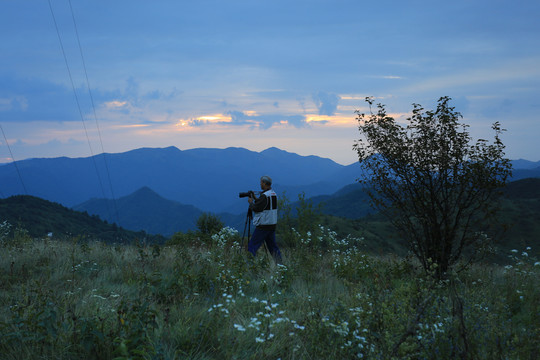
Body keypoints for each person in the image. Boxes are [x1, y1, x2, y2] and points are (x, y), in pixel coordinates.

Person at [247, 175, 282, 263]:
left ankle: (249, 266)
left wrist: (251, 203)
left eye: (261, 183)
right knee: (273, 247)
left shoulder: (265, 196)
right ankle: (281, 266)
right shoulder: (273, 194)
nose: (260, 184)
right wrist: (255, 197)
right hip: (272, 224)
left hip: (263, 225)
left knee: (252, 246)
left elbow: (256, 208)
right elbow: (264, 205)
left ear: (264, 183)